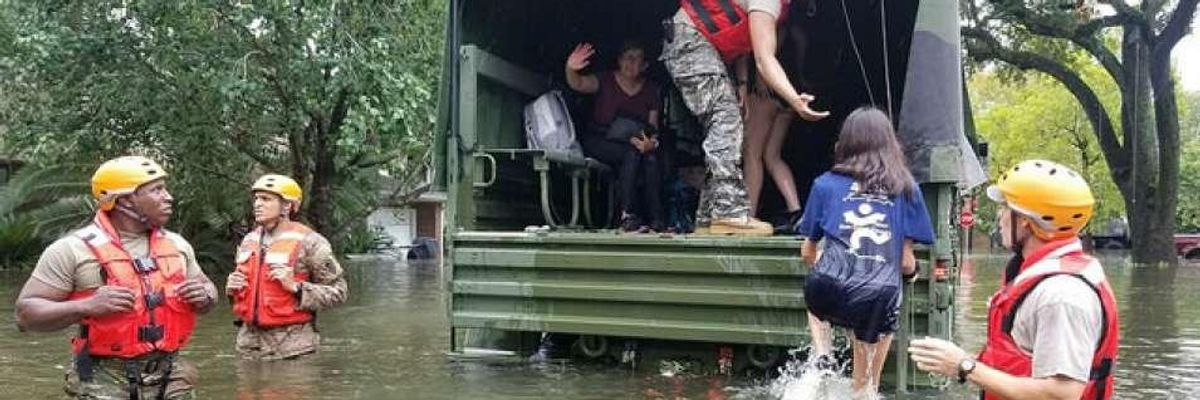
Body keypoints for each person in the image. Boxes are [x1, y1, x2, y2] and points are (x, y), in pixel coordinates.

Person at [908, 159, 1120, 400]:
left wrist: (965, 366)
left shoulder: (1062, 295)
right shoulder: (1042, 275)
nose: (1000, 217)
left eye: (1005, 208)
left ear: (1026, 222)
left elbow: (1061, 394)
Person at [14, 156, 217, 399]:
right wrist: (87, 306)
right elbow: (25, 315)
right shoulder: (71, 250)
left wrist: (205, 296)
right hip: (102, 377)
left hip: (171, 376)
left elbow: (208, 290)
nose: (168, 197)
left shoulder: (177, 245)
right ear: (124, 200)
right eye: (157, 190)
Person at [794, 107, 934, 398]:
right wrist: (913, 275)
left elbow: (807, 252)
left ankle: (823, 355)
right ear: (890, 145)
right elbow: (906, 264)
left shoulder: (824, 184)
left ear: (844, 145)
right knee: (864, 388)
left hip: (827, 285)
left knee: (818, 292)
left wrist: (832, 264)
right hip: (876, 295)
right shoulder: (907, 187)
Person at [662, 0, 827, 235]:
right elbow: (764, 59)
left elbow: (742, 42)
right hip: (692, 39)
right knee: (725, 119)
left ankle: (709, 217)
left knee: (726, 121)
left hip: (701, 44)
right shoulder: (768, 2)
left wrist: (740, 83)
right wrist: (794, 99)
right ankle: (728, 213)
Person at [226, 174, 348, 360]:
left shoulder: (311, 243)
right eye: (256, 198)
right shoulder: (248, 241)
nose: (258, 204)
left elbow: (339, 293)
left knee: (291, 389)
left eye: (266, 199)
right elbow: (242, 297)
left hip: (293, 349)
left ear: (287, 206)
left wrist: (296, 287)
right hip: (249, 347)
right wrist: (231, 290)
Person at [565, 40, 665, 232]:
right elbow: (577, 83)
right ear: (619, 60)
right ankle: (627, 215)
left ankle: (657, 219)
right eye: (626, 57)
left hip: (634, 142)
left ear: (644, 65)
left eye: (636, 59)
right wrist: (570, 68)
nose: (630, 62)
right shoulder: (604, 80)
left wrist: (651, 144)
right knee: (632, 153)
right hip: (600, 141)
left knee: (650, 158)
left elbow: (653, 128)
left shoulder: (651, 90)